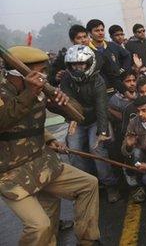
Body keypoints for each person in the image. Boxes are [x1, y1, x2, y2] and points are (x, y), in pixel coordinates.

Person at [0, 46, 100, 245]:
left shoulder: (39, 90)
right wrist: (29, 92)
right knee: (40, 226)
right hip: (11, 174)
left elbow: (78, 115)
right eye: (41, 72)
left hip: (42, 163)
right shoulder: (7, 92)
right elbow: (4, 121)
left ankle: (89, 240)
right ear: (19, 74)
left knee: (88, 184)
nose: (45, 77)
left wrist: (62, 104)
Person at [60, 45, 121, 203]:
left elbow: (101, 108)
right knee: (73, 150)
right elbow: (69, 102)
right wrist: (72, 120)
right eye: (73, 64)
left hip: (95, 119)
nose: (77, 67)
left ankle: (110, 185)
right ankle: (86, 186)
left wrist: (101, 133)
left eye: (81, 64)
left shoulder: (98, 80)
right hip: (77, 119)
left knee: (97, 150)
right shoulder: (66, 79)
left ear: (89, 63)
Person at [86, 19, 132, 96]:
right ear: (90, 33)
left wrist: (122, 70)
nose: (100, 33)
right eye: (97, 31)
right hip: (99, 92)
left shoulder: (112, 45)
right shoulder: (87, 51)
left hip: (118, 88)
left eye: (102, 30)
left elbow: (127, 56)